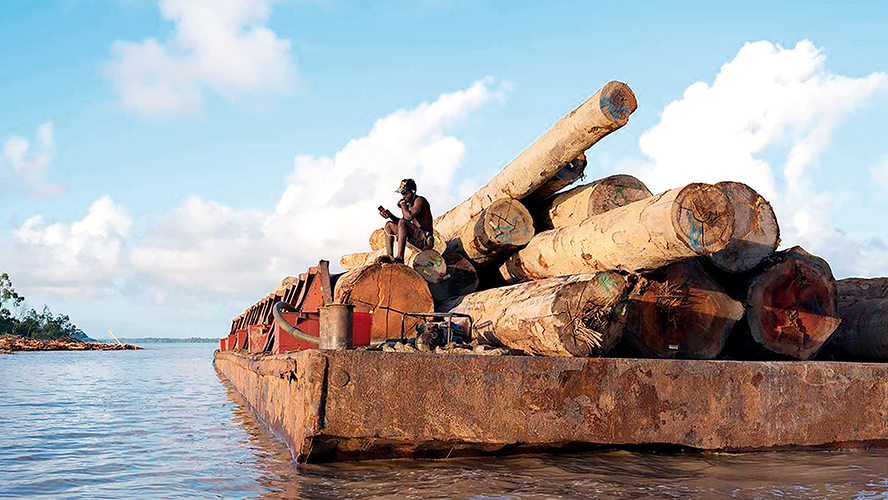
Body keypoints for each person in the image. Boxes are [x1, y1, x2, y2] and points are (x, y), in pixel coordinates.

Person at [378, 178, 434, 263]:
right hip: (415, 236)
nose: (403, 197)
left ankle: (400, 258)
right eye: (402, 194)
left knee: (403, 222)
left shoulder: (420, 200)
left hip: (425, 240)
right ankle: (390, 258)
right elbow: (402, 225)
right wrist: (390, 216)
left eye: (406, 194)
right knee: (388, 225)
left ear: (413, 191)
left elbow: (408, 218)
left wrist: (402, 204)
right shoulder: (409, 204)